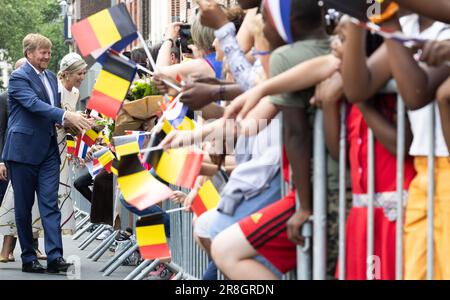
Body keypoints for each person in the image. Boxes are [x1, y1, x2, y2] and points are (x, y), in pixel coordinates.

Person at [5, 33, 92, 274]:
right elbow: (33, 104)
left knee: (50, 204)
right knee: (23, 207)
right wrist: (65, 116)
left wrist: (75, 123)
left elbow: (52, 113)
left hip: (48, 152)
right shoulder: (18, 78)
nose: (47, 56)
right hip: (22, 152)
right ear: (29, 53)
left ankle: (55, 257)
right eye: (42, 52)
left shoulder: (51, 77)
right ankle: (28, 257)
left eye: (49, 52)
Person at [0, 58, 46, 264]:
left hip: (36, 155)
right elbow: (1, 131)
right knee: (14, 203)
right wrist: (1, 161)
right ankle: (7, 249)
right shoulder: (3, 99)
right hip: (13, 157)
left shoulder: (40, 94)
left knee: (31, 202)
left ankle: (33, 248)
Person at [57, 52, 88, 234]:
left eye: (84, 73)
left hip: (63, 147)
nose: (83, 77)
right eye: (80, 73)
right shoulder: (56, 90)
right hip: (51, 146)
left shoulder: (75, 93)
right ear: (67, 73)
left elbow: (72, 127)